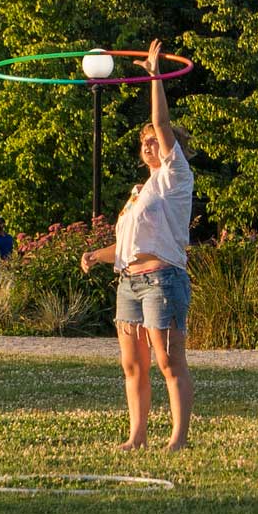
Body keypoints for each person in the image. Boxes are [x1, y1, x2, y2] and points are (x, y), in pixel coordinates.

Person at [81, 39, 195, 452]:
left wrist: (154, 77)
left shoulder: (175, 177)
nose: (149, 144)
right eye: (144, 142)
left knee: (168, 361)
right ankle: (137, 437)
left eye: (155, 141)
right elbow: (126, 245)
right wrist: (97, 255)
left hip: (163, 280)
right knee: (133, 366)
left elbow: (162, 124)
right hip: (129, 282)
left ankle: (177, 440)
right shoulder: (139, 191)